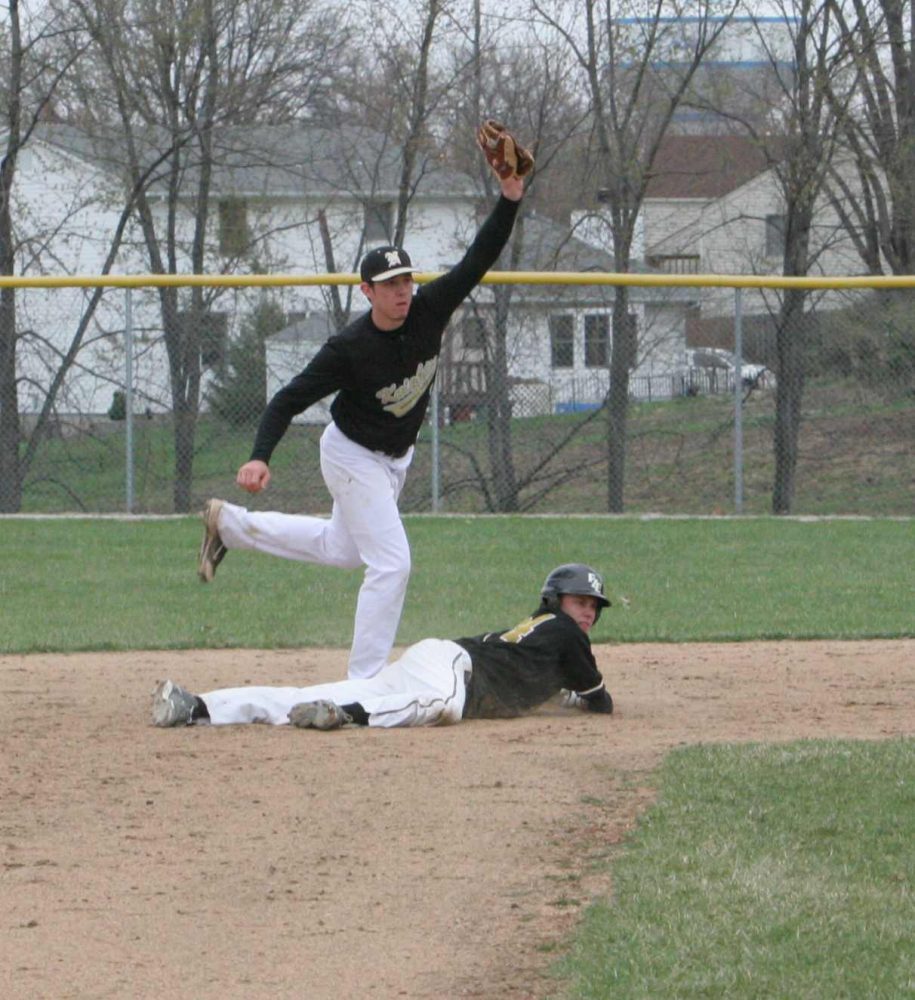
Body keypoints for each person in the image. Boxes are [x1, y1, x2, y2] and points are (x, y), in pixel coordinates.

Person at [196, 132, 526, 681]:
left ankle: (228, 525)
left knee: (341, 548)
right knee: (392, 563)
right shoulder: (348, 349)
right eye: (390, 283)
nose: (403, 290)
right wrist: (260, 456)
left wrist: (510, 195)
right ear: (367, 292)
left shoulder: (429, 309)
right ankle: (365, 681)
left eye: (407, 279)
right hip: (351, 456)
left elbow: (478, 257)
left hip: (394, 458)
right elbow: (287, 398)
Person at [153, 564, 615, 729]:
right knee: (442, 707)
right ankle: (347, 716)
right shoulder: (566, 633)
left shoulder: (544, 635)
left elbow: (545, 679)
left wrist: (563, 693)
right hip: (453, 670)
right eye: (580, 602)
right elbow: (601, 701)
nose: (588, 613)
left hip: (436, 659)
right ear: (555, 602)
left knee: (319, 691)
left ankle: (197, 708)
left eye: (594, 606)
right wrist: (582, 695)